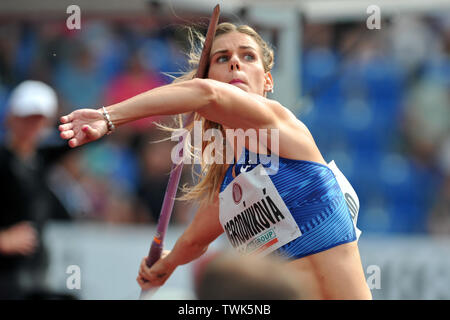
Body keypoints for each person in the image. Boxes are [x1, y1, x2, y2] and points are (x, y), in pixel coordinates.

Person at [59, 23, 372, 299]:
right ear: (210, 76)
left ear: (267, 81)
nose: (235, 62)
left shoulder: (280, 125)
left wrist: (108, 116)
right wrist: (166, 265)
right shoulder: (232, 184)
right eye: (222, 59)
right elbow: (195, 240)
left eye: (248, 56)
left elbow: (207, 95)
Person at [0, 80, 72, 299]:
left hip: (32, 274)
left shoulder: (40, 158)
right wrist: (2, 240)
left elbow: (83, 137)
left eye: (38, 120)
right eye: (26, 118)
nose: (31, 126)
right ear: (10, 117)